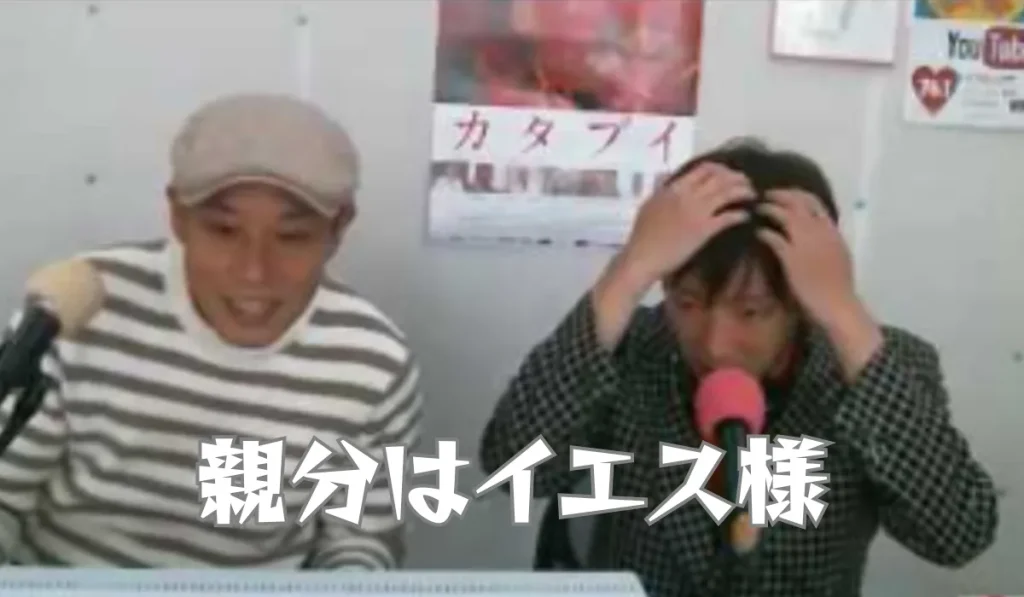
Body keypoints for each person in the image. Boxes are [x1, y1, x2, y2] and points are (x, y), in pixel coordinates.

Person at [479, 138, 998, 597]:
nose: (714, 343)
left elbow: (958, 535)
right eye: (688, 303)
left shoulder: (875, 367)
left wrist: (844, 312)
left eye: (751, 311)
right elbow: (515, 468)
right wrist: (629, 269)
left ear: (800, 302)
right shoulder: (626, 347)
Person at [0, 93, 423, 568]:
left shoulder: (373, 362)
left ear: (339, 227)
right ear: (178, 217)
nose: (253, 271)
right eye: (223, 231)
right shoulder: (78, 306)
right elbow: (5, 498)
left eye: (292, 237)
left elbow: (360, 539)